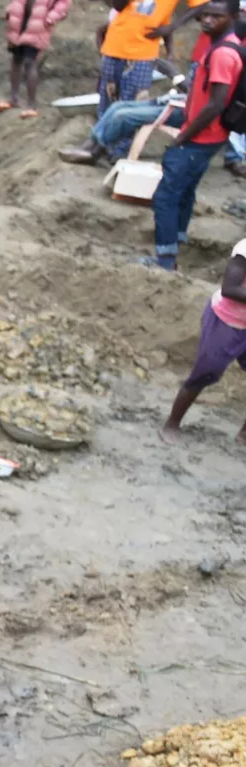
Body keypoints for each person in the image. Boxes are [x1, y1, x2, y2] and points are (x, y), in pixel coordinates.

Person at [149, 0, 237, 271]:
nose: (208, 21)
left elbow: (216, 103)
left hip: (200, 138)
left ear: (232, 18)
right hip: (209, 136)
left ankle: (165, 261)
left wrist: (184, 135)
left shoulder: (222, 53)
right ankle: (175, 245)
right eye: (205, 15)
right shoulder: (223, 46)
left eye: (216, 17)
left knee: (165, 197)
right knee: (184, 191)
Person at [161, 239, 246, 443]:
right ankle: (172, 424)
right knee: (206, 372)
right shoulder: (244, 251)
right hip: (227, 321)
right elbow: (230, 288)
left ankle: (244, 434)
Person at [2, 0, 73, 118]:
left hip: (39, 24)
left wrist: (51, 18)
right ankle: (13, 98)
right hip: (19, 20)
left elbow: (64, 3)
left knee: (30, 62)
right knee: (16, 59)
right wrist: (11, 9)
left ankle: (31, 105)